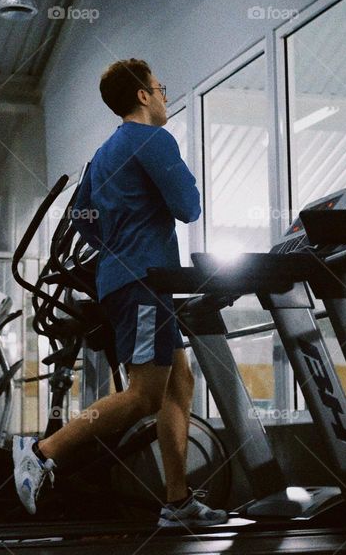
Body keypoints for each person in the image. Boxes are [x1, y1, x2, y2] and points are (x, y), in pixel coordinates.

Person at [12, 58, 227, 528]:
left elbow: (82, 219)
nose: (165, 95)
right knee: (145, 395)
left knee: (179, 382)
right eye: (160, 87)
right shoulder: (152, 139)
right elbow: (188, 207)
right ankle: (42, 453)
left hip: (128, 280)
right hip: (146, 282)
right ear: (144, 96)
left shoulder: (104, 153)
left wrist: (116, 249)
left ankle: (177, 501)